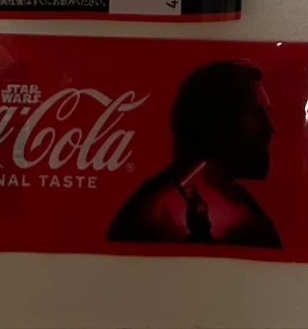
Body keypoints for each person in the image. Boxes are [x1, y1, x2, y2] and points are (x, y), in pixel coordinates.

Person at [106, 60, 281, 248]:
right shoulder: (155, 213)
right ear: (217, 121)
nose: (270, 128)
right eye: (256, 113)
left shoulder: (248, 212)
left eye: (267, 113)